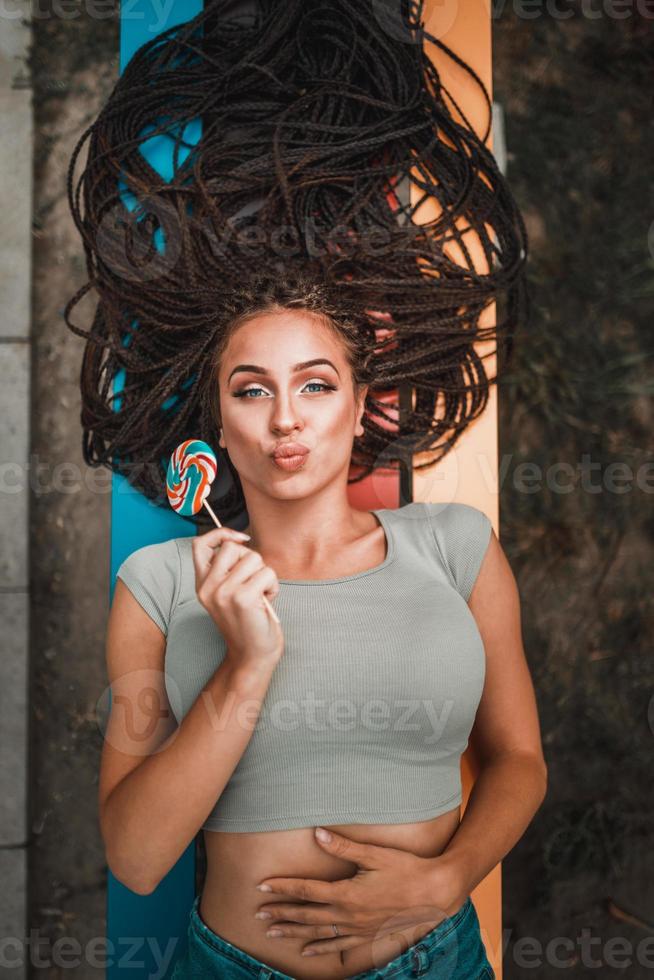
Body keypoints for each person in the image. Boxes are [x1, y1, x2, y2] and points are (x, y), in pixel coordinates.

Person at [100, 274, 547, 979]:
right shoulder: (159, 582)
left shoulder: (457, 546)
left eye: (315, 385)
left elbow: (519, 761)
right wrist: (245, 663)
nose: (285, 419)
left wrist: (450, 876)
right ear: (218, 421)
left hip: (435, 958)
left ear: (362, 403)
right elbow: (136, 859)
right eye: (251, 390)